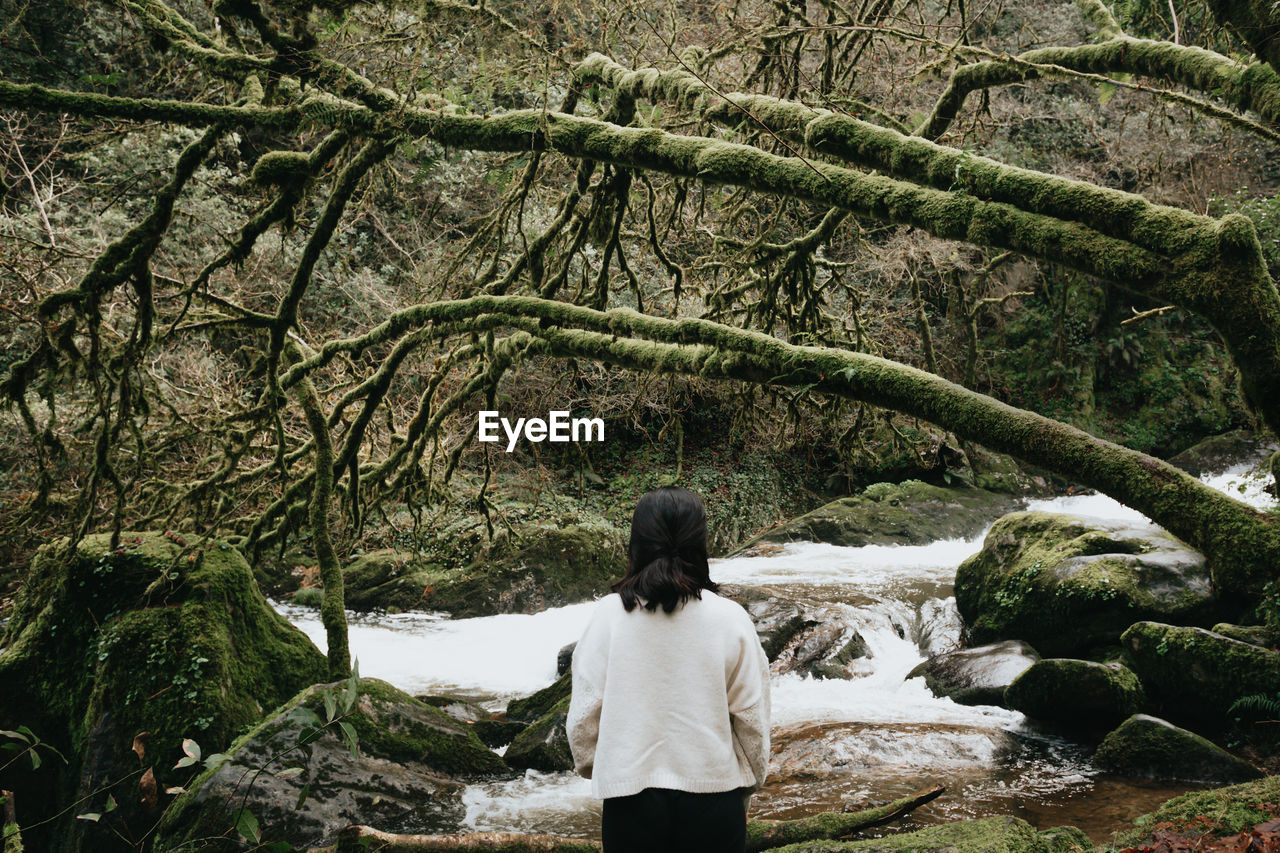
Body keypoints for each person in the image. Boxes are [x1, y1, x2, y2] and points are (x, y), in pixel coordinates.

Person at [566, 485, 771, 853]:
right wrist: (750, 782)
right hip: (713, 794)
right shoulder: (730, 619)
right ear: (700, 542)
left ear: (637, 542)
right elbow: (752, 719)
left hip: (630, 798)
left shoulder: (608, 617)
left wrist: (607, 769)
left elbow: (583, 720)